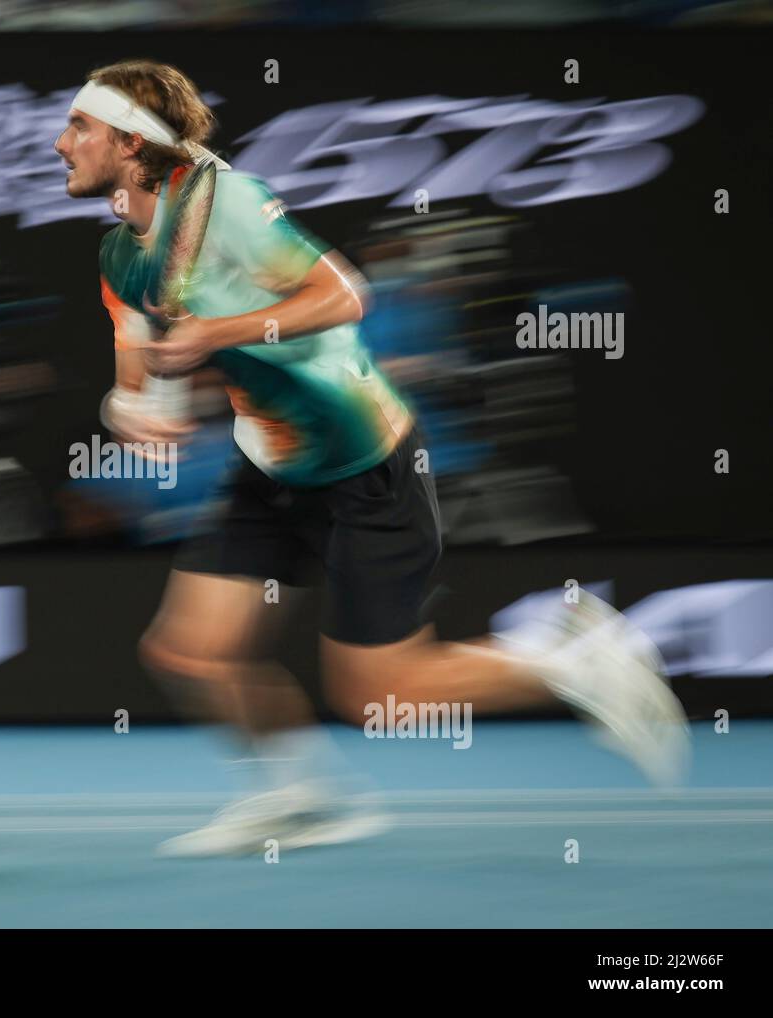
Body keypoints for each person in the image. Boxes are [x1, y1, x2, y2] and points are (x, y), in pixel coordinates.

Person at [52, 59, 689, 857]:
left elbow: (344, 296)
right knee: (189, 650)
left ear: (131, 142)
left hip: (366, 467)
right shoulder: (121, 256)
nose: (59, 142)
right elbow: (136, 364)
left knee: (383, 694)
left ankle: (570, 658)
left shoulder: (234, 207)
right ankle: (303, 800)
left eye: (79, 126)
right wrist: (134, 411)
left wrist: (217, 332)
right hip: (272, 468)